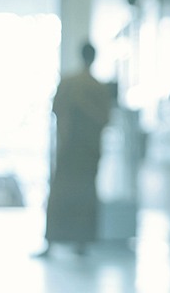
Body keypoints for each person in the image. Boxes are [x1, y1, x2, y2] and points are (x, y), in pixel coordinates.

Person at [35, 42, 113, 257]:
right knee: (85, 195)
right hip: (88, 152)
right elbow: (105, 118)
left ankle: (51, 243)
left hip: (69, 149)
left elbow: (57, 110)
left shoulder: (69, 83)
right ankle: (81, 243)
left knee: (61, 194)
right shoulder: (99, 88)